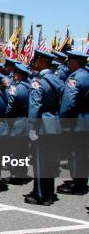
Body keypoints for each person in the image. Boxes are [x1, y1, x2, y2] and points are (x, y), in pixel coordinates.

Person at [25, 50, 64, 206]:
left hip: (42, 126)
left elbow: (35, 107)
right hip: (54, 123)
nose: (34, 63)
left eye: (36, 60)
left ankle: (41, 195)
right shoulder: (57, 79)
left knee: (40, 162)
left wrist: (32, 127)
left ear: (42, 62)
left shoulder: (38, 81)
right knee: (50, 161)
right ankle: (49, 192)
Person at [56, 51, 88, 195]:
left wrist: (63, 120)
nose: (68, 64)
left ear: (75, 63)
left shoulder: (75, 77)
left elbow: (69, 103)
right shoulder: (86, 74)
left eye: (70, 61)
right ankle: (81, 182)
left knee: (76, 154)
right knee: (83, 154)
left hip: (78, 122)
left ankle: (78, 185)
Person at [2, 62, 32, 185]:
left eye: (15, 73)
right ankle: (23, 172)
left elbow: (10, 106)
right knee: (23, 150)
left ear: (19, 75)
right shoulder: (29, 86)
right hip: (26, 121)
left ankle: (15, 174)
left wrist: (7, 118)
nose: (13, 75)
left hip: (16, 122)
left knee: (14, 149)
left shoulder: (16, 88)